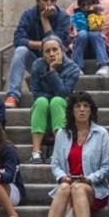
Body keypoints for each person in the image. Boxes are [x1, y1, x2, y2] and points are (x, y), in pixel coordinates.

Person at [37, 92, 109, 217]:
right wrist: (62, 176)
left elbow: (107, 166)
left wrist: (89, 179)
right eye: (78, 106)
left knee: (78, 188)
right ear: (72, 110)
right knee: (64, 187)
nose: (82, 110)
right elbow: (55, 164)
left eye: (86, 106)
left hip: (94, 189)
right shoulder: (62, 134)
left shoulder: (102, 134)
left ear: (91, 110)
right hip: (68, 184)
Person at [6, 0, 70, 108]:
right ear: (37, 1)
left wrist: (44, 19)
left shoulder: (63, 17)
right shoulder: (28, 15)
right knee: (21, 50)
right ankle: (13, 95)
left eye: (52, 0)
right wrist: (42, 45)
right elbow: (18, 40)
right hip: (36, 61)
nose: (49, 4)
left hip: (57, 63)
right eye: (45, 0)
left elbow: (57, 44)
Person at [28, 35, 82, 164]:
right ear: (43, 54)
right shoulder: (37, 65)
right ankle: (36, 152)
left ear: (62, 50)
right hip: (42, 110)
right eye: (47, 51)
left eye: (55, 49)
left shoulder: (73, 68)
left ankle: (58, 151)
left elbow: (64, 93)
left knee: (56, 101)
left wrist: (52, 71)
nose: (52, 54)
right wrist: (47, 101)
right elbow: (35, 93)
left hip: (61, 111)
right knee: (41, 101)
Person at [70, 0, 109, 76]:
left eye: (89, 4)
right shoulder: (76, 17)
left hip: (97, 49)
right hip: (82, 49)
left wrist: (95, 10)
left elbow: (101, 28)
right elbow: (73, 31)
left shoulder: (99, 15)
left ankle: (104, 65)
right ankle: (77, 66)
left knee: (94, 33)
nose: (86, 7)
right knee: (82, 34)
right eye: (83, 5)